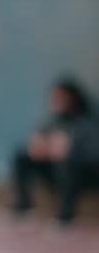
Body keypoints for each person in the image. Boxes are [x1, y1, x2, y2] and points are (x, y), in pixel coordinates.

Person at [10, 74, 99, 226]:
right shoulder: (54, 119)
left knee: (67, 163)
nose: (55, 100)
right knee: (22, 155)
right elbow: (38, 144)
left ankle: (65, 217)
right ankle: (23, 206)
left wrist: (67, 149)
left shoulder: (88, 119)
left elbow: (91, 153)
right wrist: (40, 147)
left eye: (59, 96)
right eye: (54, 96)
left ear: (72, 98)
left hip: (87, 174)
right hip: (58, 169)